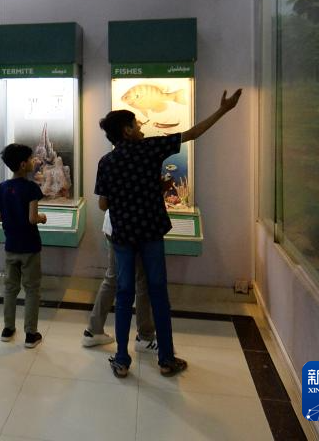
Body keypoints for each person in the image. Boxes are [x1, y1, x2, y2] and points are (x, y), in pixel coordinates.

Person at [96, 89, 241, 379]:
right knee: (158, 292)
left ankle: (122, 360)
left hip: (123, 236)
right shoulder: (151, 148)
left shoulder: (106, 162)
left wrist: (125, 196)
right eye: (136, 124)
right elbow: (192, 133)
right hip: (151, 232)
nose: (140, 127)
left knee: (124, 294)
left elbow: (103, 204)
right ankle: (165, 359)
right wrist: (223, 110)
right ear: (126, 130)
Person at [0, 143, 47, 349]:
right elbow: (32, 218)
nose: (33, 161)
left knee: (10, 289)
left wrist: (5, 219)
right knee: (32, 290)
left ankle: (8, 329)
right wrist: (42, 217)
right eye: (30, 159)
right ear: (22, 164)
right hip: (30, 247)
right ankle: (31, 334)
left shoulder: (2, 187)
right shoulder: (31, 188)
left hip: (11, 246)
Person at [81, 207, 157, 352]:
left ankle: (93, 330)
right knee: (142, 280)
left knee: (113, 277)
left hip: (114, 224)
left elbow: (102, 203)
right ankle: (145, 336)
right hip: (135, 227)